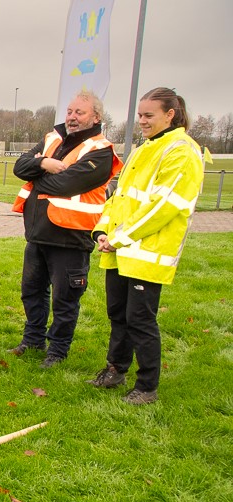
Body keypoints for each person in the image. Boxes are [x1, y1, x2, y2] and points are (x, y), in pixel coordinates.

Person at [88, 87, 206, 405]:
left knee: (140, 319)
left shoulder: (182, 150)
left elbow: (165, 207)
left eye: (148, 115)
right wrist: (101, 230)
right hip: (120, 250)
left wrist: (121, 237)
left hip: (148, 253)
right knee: (118, 314)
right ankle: (115, 369)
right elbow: (121, 197)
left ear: (170, 114)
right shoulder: (143, 149)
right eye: (139, 115)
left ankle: (147, 386)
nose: (141, 120)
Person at [9, 90, 122, 368]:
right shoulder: (52, 139)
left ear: (96, 117)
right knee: (31, 291)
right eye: (70, 112)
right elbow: (20, 166)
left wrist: (36, 179)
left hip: (71, 238)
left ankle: (57, 351)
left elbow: (65, 184)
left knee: (65, 300)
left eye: (79, 113)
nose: (72, 117)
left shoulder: (100, 150)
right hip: (38, 234)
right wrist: (43, 163)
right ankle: (33, 339)